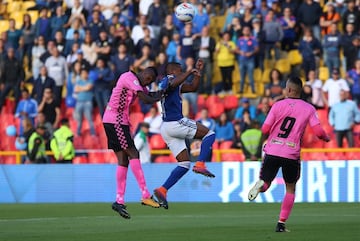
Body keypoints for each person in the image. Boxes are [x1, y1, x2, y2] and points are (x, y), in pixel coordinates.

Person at [248, 76, 330, 232]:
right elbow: (319, 132)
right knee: (290, 188)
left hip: (272, 150)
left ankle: (260, 186)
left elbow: (264, 130)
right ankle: (281, 223)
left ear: (290, 90)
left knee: (265, 183)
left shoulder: (277, 105)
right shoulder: (309, 108)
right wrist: (326, 138)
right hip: (291, 153)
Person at [153, 60, 216, 210]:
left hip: (167, 128)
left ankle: (162, 190)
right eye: (180, 71)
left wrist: (197, 74)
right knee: (210, 134)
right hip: (175, 122)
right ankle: (200, 163)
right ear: (174, 71)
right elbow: (173, 84)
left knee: (184, 164)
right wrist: (189, 71)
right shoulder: (167, 80)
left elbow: (193, 87)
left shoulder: (175, 82)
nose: (182, 73)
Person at [103, 67, 163, 219]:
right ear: (143, 72)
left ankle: (119, 201)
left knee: (123, 161)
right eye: (147, 77)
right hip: (115, 120)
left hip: (115, 120)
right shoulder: (129, 77)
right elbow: (146, 99)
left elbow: (151, 94)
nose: (147, 81)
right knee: (134, 153)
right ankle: (145, 194)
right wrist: (160, 96)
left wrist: (168, 90)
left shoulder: (139, 85)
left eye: (150, 81)